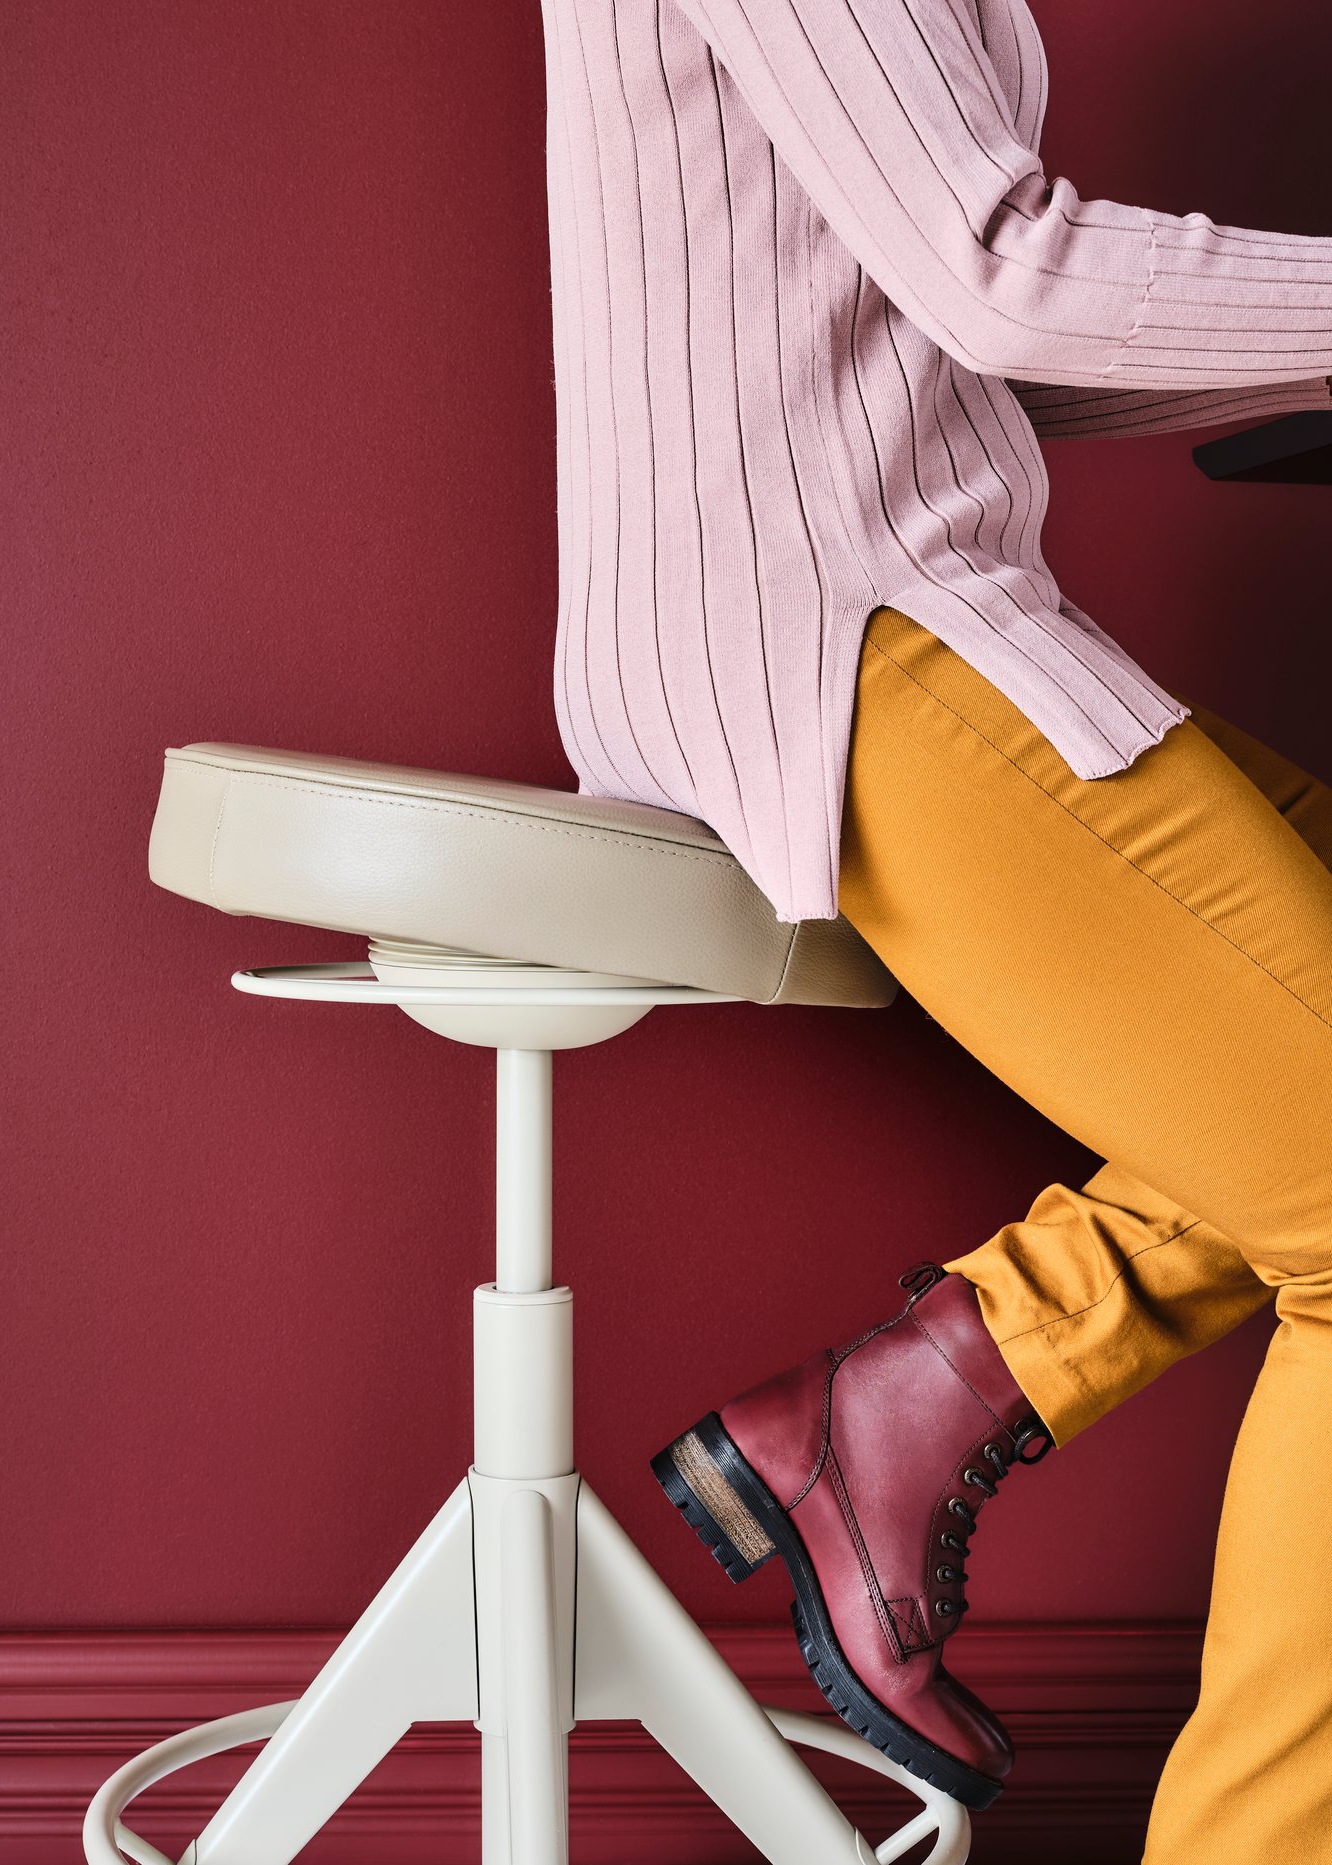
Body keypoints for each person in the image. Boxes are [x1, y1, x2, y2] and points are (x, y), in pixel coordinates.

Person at [537, 0, 1332, 1857]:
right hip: (844, 640)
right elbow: (1002, 280)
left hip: (896, 614)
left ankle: (931, 1389)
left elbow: (967, 331)